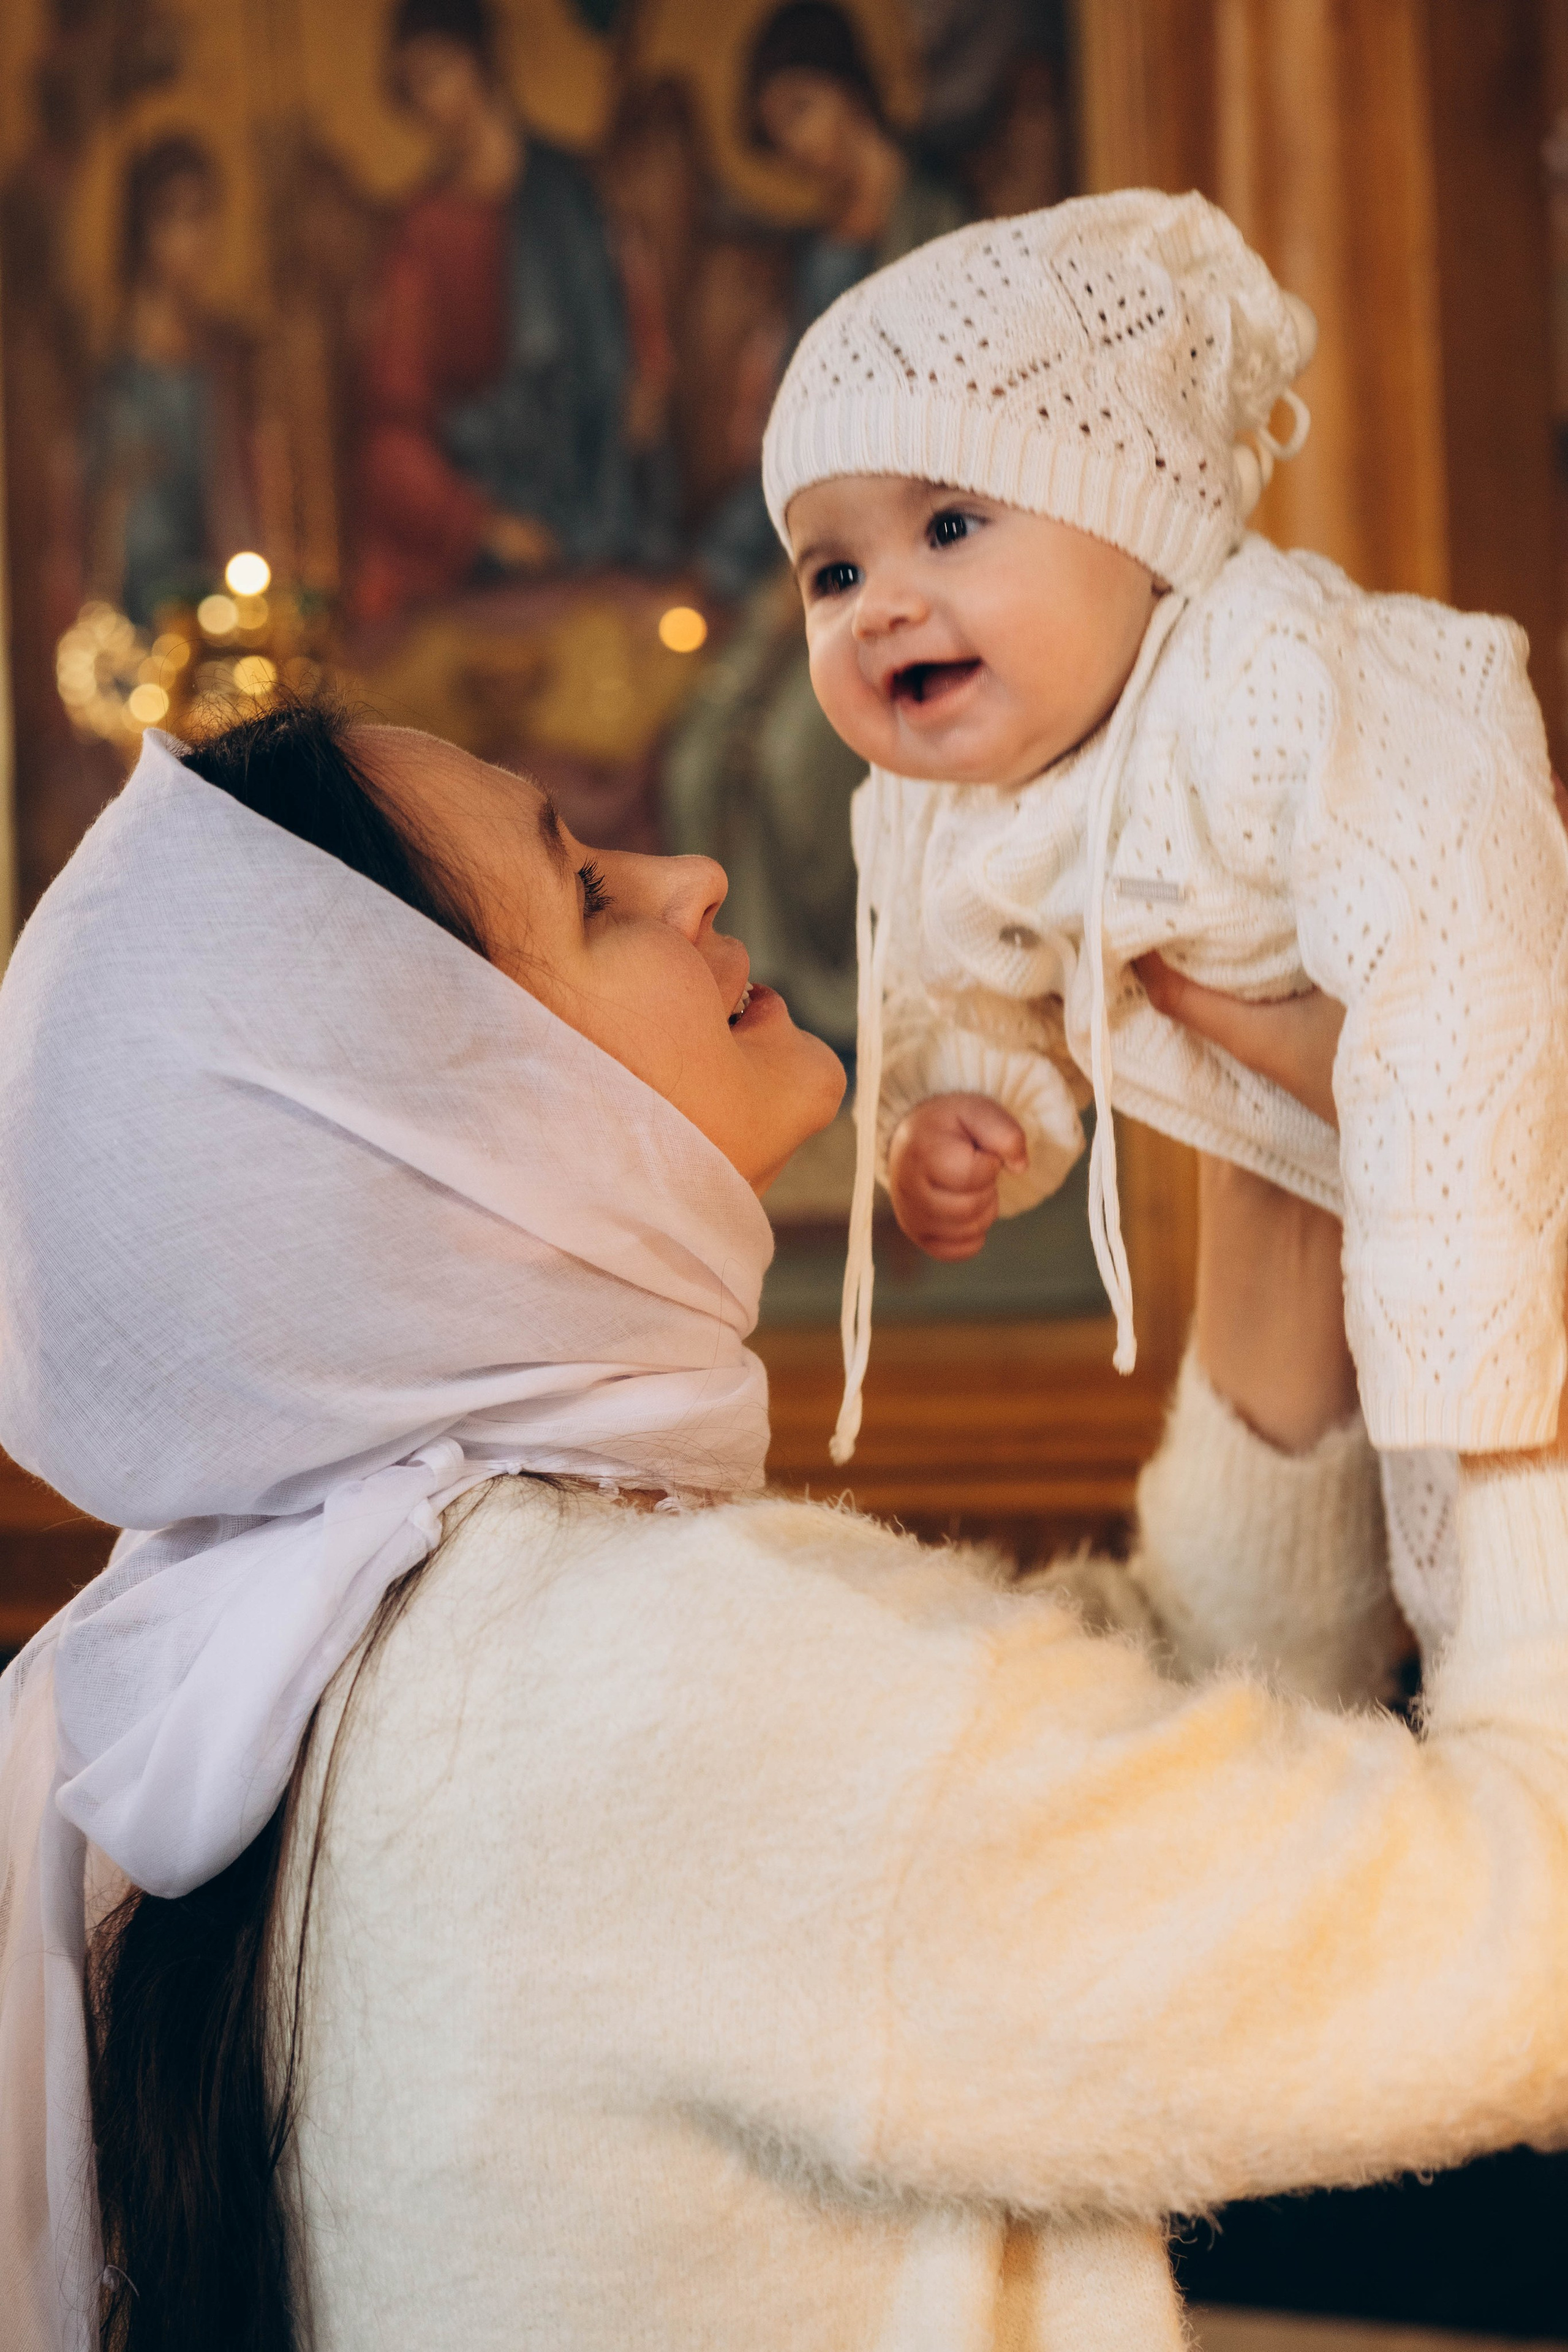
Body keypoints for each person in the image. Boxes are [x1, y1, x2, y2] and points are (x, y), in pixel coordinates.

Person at [4, 702, 1568, 2352]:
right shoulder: (646, 1690)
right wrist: (1482, 1149)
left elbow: (1143, 1729)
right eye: (591, 894)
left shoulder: (365, 1657)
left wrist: (1286, 1143)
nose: (689, 873)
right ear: (446, 1117)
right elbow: (1521, 1940)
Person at [761, 189, 1568, 1647]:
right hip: (1304, 1199)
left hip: (1477, 1135)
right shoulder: (927, 809)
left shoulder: (1272, 679)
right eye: (832, 568)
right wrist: (962, 1112)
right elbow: (965, 986)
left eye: (947, 523)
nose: (878, 602)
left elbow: (1468, 943)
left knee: (1503, 1565)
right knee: (1280, 1646)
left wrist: (1469, 1381)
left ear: (1135, 529)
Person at [352, 0, 666, 624]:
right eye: (412, 86)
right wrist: (481, 523)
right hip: (489, 525)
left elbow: (638, 354)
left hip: (601, 503)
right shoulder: (425, 231)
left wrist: (624, 444)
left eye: (439, 71)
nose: (429, 100)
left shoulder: (571, 193)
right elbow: (396, 412)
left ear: (481, 61)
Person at [83, 136, 260, 625]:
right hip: (150, 604)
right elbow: (118, 519)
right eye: (175, 219)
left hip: (222, 590)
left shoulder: (222, 349)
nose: (196, 238)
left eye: (204, 215)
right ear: (143, 233)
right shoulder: (122, 375)